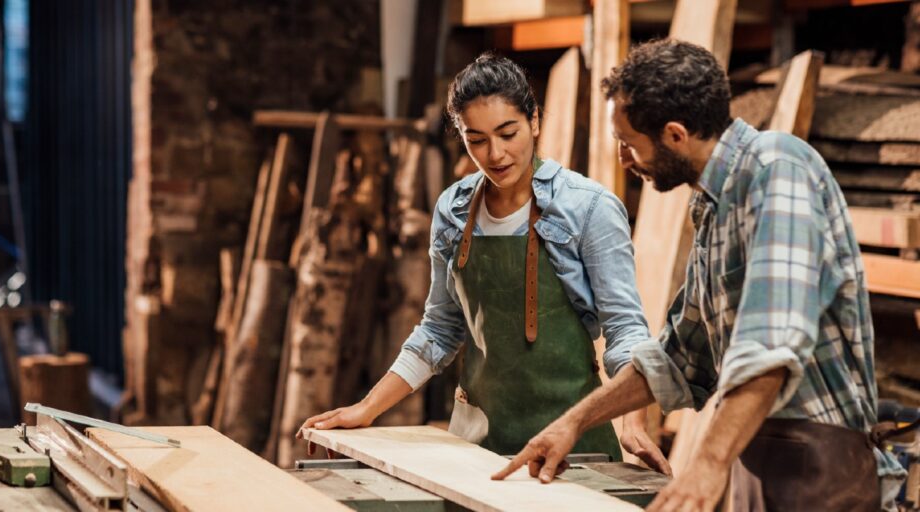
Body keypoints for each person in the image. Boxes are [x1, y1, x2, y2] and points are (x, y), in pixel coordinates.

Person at [493, 39, 906, 512]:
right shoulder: (713, 206)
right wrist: (573, 423)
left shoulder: (777, 170)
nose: (625, 160)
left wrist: (708, 464)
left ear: (674, 135)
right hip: (759, 459)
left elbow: (770, 346)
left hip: (823, 467)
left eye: (629, 145)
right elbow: (678, 357)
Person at [296, 53, 670, 474]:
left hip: (573, 447)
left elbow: (625, 329)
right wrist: (367, 408)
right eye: (476, 140)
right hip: (475, 449)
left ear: (534, 122)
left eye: (508, 133)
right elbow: (439, 330)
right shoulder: (453, 210)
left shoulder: (589, 207)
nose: (495, 154)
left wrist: (634, 421)